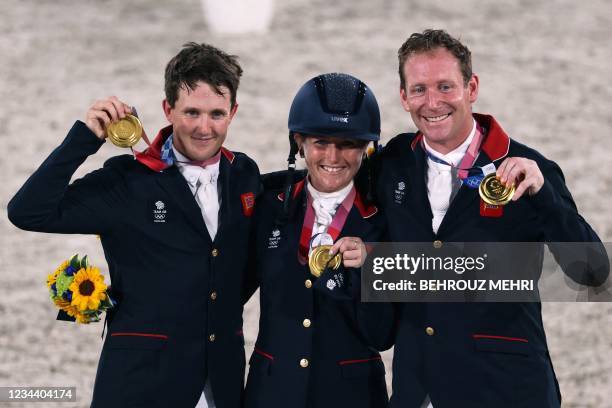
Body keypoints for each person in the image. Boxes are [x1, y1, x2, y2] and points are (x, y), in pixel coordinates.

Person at [7, 42, 260, 408]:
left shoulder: (244, 174)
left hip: (220, 385)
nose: (205, 128)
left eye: (217, 114)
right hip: (140, 385)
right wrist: (84, 138)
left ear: (233, 112)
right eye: (191, 112)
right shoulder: (127, 182)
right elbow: (28, 211)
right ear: (167, 109)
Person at [374, 29, 609, 407]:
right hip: (419, 391)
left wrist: (544, 197)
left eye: (445, 86)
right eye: (419, 89)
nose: (432, 102)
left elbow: (593, 274)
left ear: (472, 87)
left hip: (506, 390)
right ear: (403, 97)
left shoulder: (528, 170)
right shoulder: (393, 164)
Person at [243, 73, 393, 408]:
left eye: (348, 144)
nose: (333, 157)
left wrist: (372, 268)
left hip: (353, 397)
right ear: (299, 142)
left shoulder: (382, 222)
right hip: (271, 394)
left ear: (367, 148)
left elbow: (382, 336)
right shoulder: (267, 207)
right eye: (320, 142)